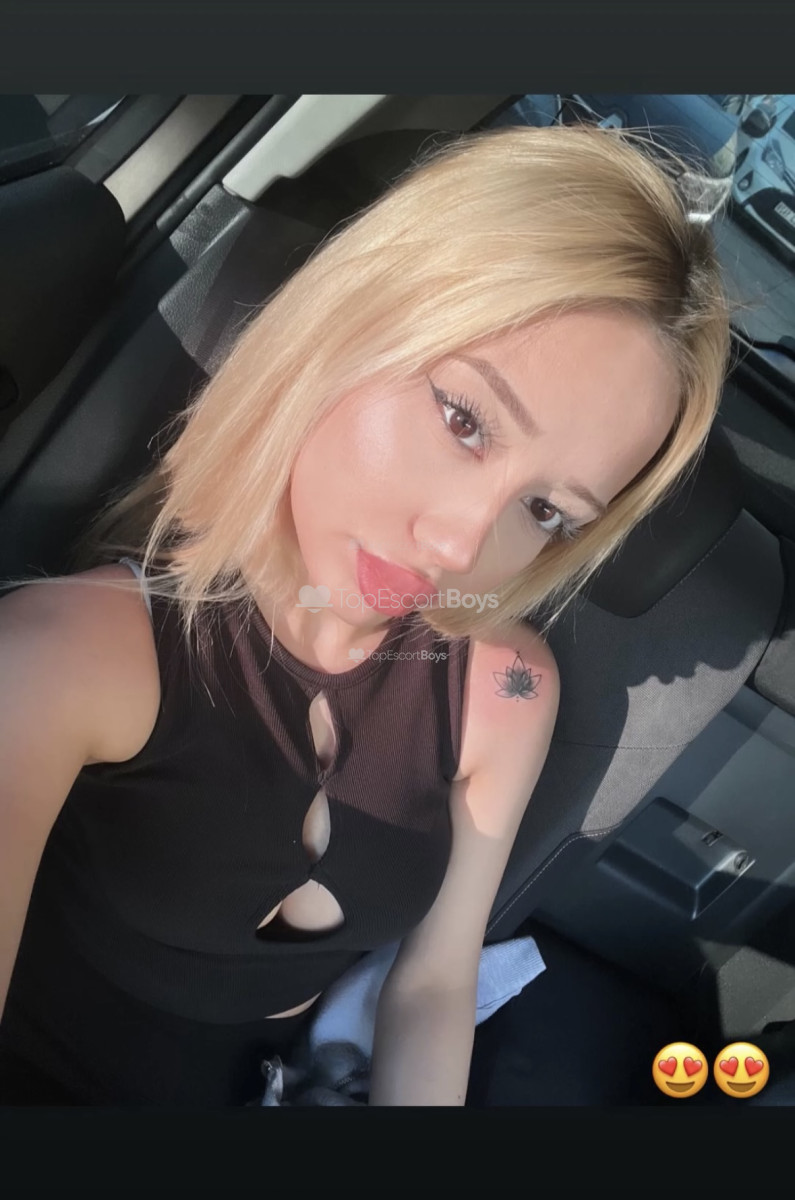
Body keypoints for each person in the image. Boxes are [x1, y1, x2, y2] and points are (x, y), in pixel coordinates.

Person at [0, 122, 731, 1106]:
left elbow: (432, 986)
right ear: (348, 324)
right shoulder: (68, 656)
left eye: (546, 511)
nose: (460, 548)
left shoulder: (505, 691)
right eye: (463, 419)